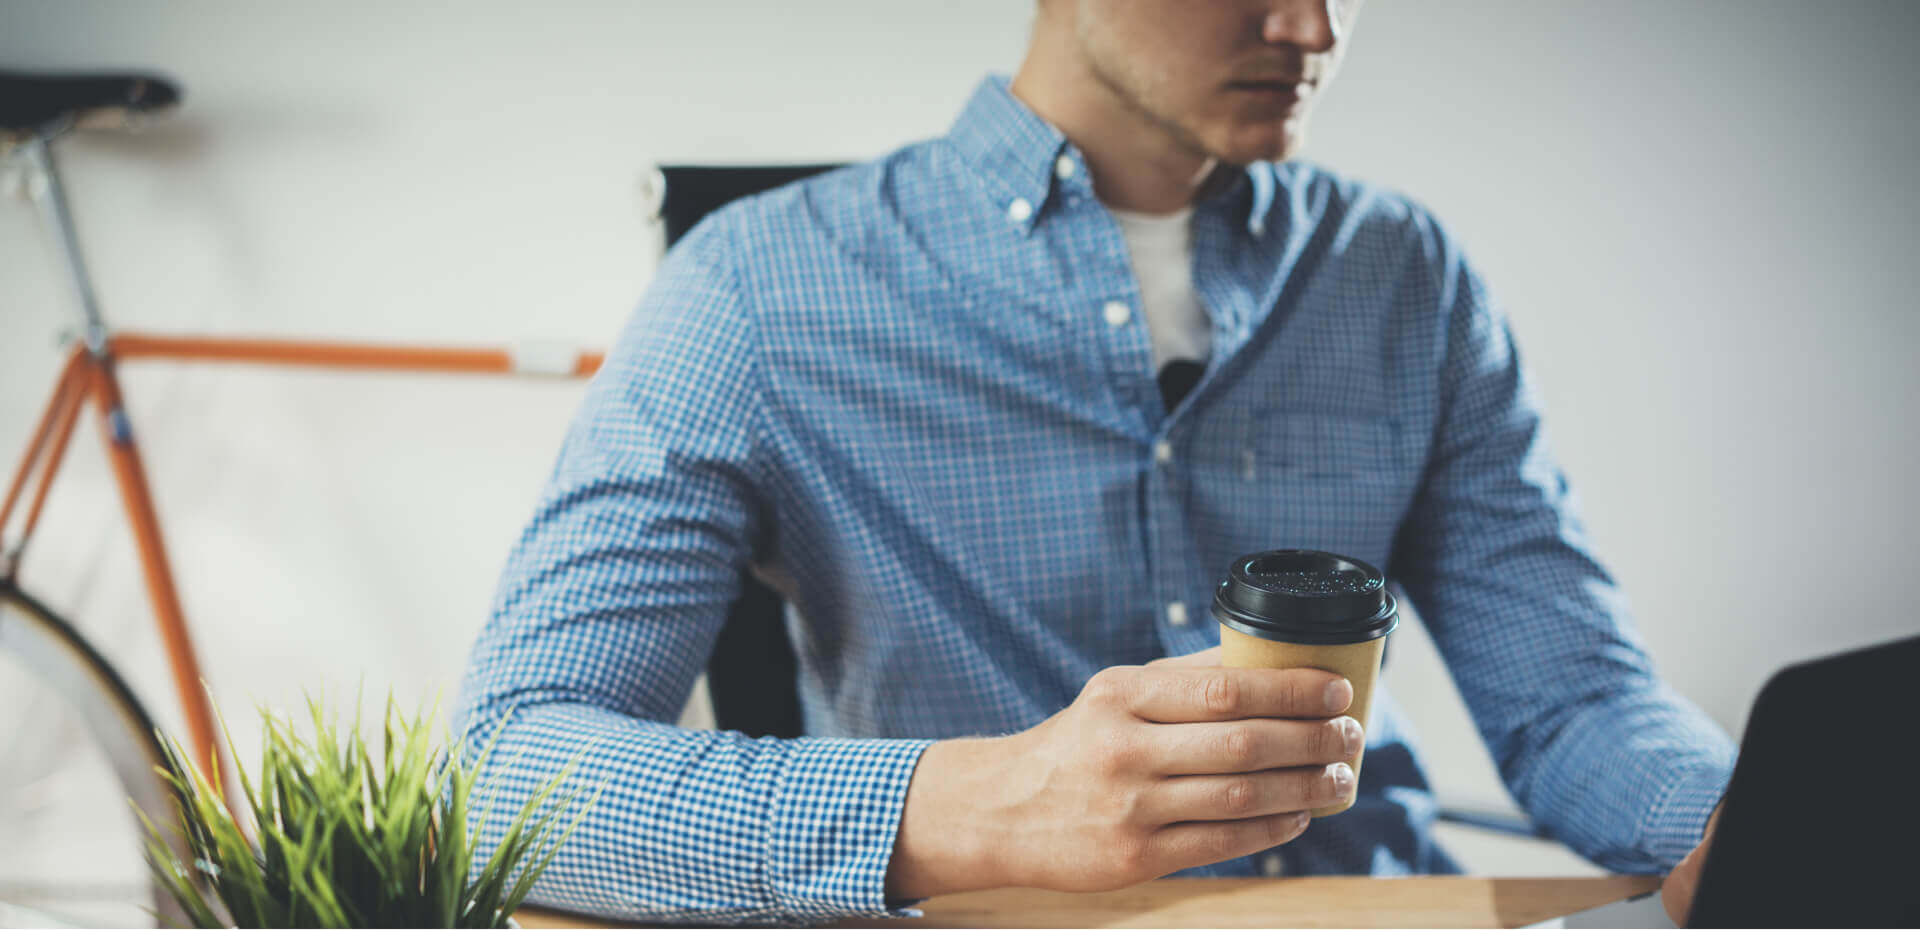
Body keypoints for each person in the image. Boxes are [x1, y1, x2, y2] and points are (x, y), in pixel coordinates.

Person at [454, 0, 1735, 924]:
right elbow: (502, 771)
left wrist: (1736, 824)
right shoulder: (752, 287)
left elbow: (1573, 699)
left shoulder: (1403, 270)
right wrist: (984, 803)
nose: (1314, 28)